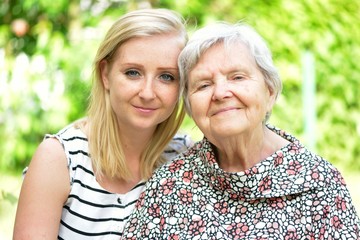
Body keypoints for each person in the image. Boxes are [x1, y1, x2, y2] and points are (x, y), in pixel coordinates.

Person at [121, 22, 360, 239]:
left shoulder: (320, 184)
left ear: (269, 91)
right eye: (204, 85)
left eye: (237, 77)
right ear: (191, 107)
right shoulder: (169, 186)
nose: (220, 93)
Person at [13, 8, 193, 240]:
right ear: (105, 74)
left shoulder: (184, 157)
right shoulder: (60, 160)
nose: (148, 93)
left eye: (167, 76)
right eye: (133, 73)